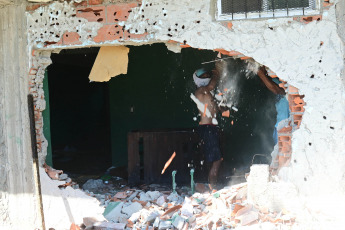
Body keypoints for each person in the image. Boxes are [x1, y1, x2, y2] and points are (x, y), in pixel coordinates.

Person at [192, 62, 223, 190]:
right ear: (198, 79)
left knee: (215, 159)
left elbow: (218, 109)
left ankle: (212, 186)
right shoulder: (200, 90)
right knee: (216, 160)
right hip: (207, 128)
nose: (207, 76)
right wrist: (217, 73)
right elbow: (211, 85)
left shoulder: (207, 94)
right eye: (203, 75)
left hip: (211, 128)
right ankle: (213, 188)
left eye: (207, 75)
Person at [257, 66, 290, 145]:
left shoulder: (277, 82)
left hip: (285, 126)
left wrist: (261, 74)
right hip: (279, 126)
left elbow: (278, 90)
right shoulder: (270, 84)